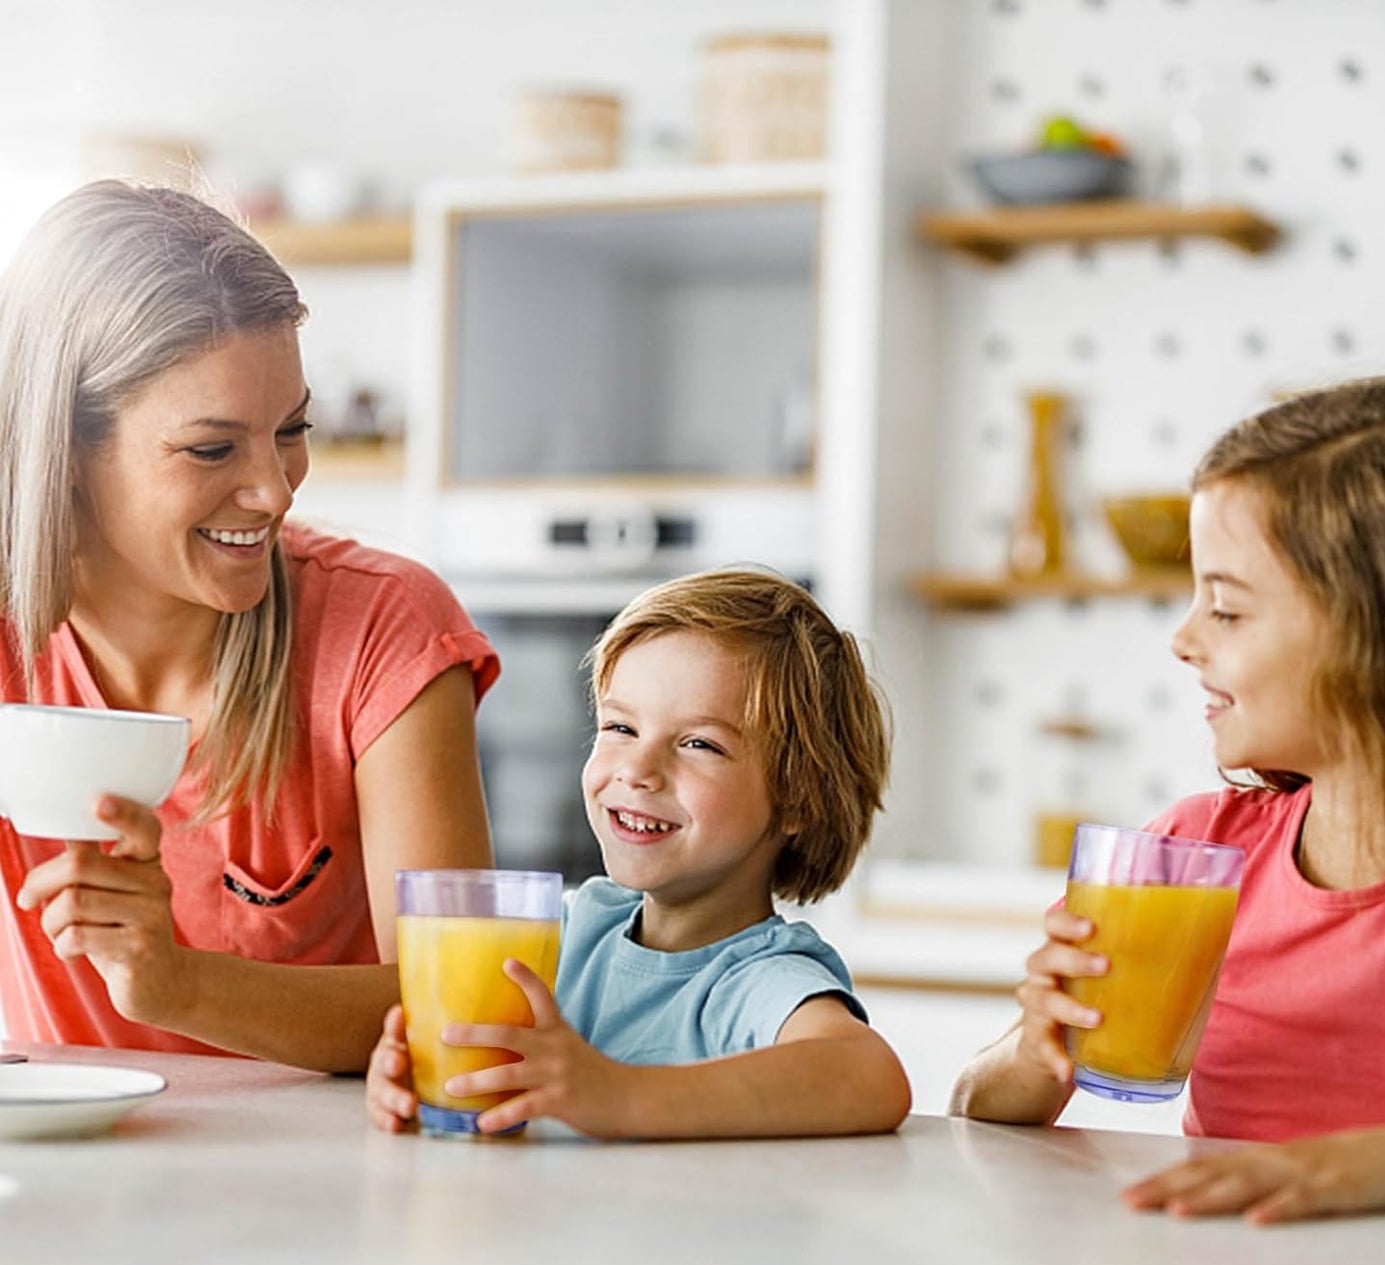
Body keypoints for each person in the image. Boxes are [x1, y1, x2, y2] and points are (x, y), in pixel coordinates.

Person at [0, 179, 497, 1071]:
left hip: (345, 1187)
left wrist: (180, 983)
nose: (275, 490)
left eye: (292, 429)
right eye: (213, 448)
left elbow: (457, 1003)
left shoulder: (385, 630)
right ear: (69, 449)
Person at [950, 374, 1385, 1224]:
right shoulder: (1198, 853)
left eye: (1225, 609)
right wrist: (1035, 1052)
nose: (1182, 640)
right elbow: (975, 1106)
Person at [366, 568, 912, 1139]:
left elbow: (868, 1075)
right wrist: (418, 1076)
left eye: (699, 743)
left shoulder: (756, 978)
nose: (637, 770)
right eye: (620, 727)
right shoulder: (570, 932)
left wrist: (621, 1095)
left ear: (798, 798)